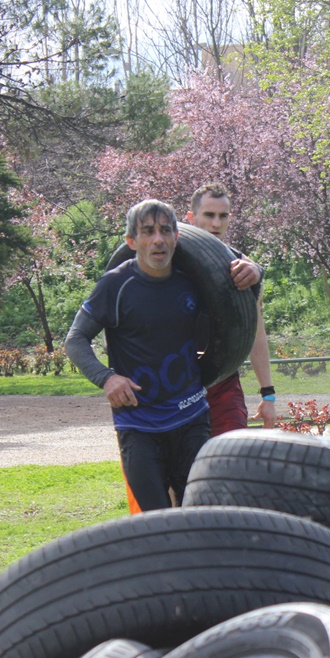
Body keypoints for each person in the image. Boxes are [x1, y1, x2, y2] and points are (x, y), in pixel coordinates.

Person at [65, 199, 213, 514]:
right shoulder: (115, 286)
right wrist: (107, 378)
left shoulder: (196, 280)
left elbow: (236, 296)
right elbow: (76, 339)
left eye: (165, 230)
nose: (157, 239)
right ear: (132, 241)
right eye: (147, 232)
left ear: (177, 236)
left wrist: (252, 272)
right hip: (139, 424)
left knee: (199, 515)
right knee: (156, 520)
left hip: (191, 417)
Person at [186, 183, 277, 434]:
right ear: (191, 218)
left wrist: (268, 395)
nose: (216, 223)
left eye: (223, 216)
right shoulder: (167, 261)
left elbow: (256, 336)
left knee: (232, 460)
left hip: (223, 382)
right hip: (176, 382)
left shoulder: (244, 270)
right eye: (209, 215)